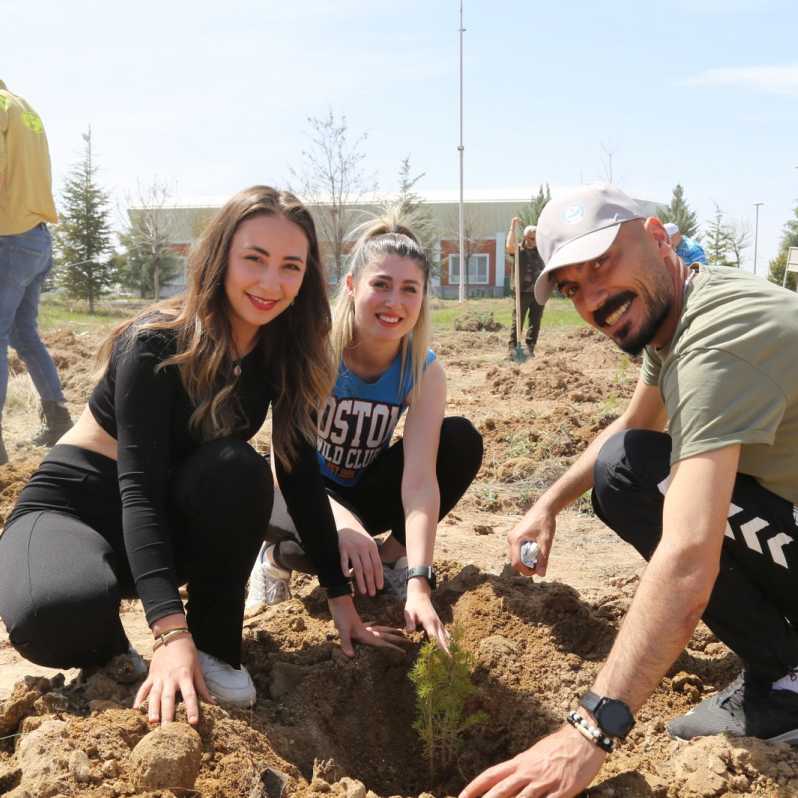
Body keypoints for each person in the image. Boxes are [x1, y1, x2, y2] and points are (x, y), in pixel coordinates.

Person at [461, 184, 798, 798]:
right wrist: (545, 505)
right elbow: (634, 429)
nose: (595, 299)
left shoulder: (717, 341)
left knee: (646, 487)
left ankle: (787, 678)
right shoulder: (683, 307)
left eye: (602, 264)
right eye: (571, 287)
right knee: (626, 470)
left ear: (658, 237)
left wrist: (592, 728)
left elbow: (689, 556)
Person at [0, 185, 376, 726]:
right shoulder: (155, 341)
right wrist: (166, 632)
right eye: (254, 259)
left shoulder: (283, 353)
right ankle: (116, 659)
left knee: (238, 470)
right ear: (220, 256)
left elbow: (297, 476)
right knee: (52, 615)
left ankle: (214, 648)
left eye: (290, 266)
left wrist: (341, 598)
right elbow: (138, 489)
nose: (271, 283)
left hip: (167, 513)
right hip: (77, 506)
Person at [247, 214, 483, 653]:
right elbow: (287, 463)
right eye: (381, 285)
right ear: (353, 285)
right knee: (318, 547)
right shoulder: (316, 349)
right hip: (291, 488)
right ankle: (275, 561)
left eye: (409, 289)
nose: (394, 302)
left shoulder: (423, 369)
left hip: (359, 490)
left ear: (423, 298)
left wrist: (418, 581)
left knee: (460, 439)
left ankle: (390, 559)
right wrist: (342, 523)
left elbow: (419, 481)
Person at [0, 79, 72, 465]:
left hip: (7, 236)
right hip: (35, 237)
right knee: (23, 332)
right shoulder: (24, 107)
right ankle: (58, 418)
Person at [506, 217, 545, 356]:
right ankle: (513, 349)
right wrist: (513, 226)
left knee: (535, 322)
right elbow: (509, 246)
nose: (532, 241)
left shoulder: (541, 251)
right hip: (522, 291)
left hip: (539, 292)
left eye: (535, 239)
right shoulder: (518, 250)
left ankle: (530, 348)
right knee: (518, 321)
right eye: (530, 238)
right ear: (525, 237)